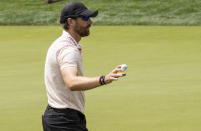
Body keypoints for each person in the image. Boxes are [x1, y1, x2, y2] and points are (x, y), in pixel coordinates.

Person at [42, 2, 126, 131]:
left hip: (59, 117)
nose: (90, 22)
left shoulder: (63, 44)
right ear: (70, 21)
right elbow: (72, 82)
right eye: (85, 18)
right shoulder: (67, 49)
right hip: (64, 121)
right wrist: (105, 78)